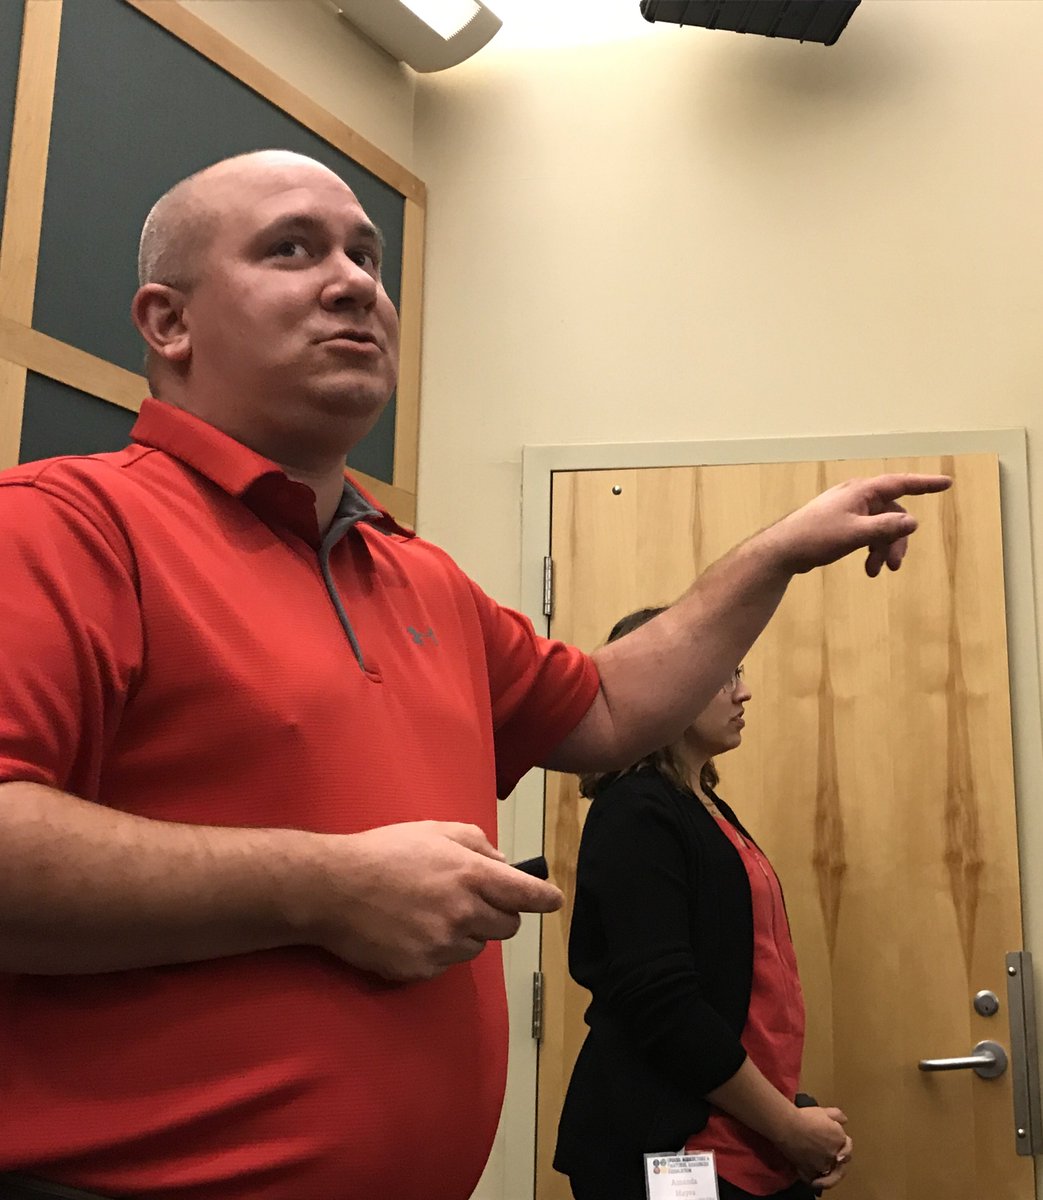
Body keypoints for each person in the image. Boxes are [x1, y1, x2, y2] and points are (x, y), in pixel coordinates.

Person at [0, 148, 947, 1200]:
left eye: (367, 255)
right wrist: (324, 889)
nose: (354, 281)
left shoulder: (422, 579)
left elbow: (603, 707)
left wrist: (775, 554)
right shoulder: (63, 526)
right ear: (168, 322)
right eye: (291, 249)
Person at [555, 608, 852, 1200]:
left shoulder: (702, 807)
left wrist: (787, 1113)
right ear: (665, 687)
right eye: (723, 675)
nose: (744, 691)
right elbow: (664, 1005)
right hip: (675, 1151)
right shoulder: (636, 812)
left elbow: (738, 986)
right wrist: (788, 1127)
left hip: (744, 1135)